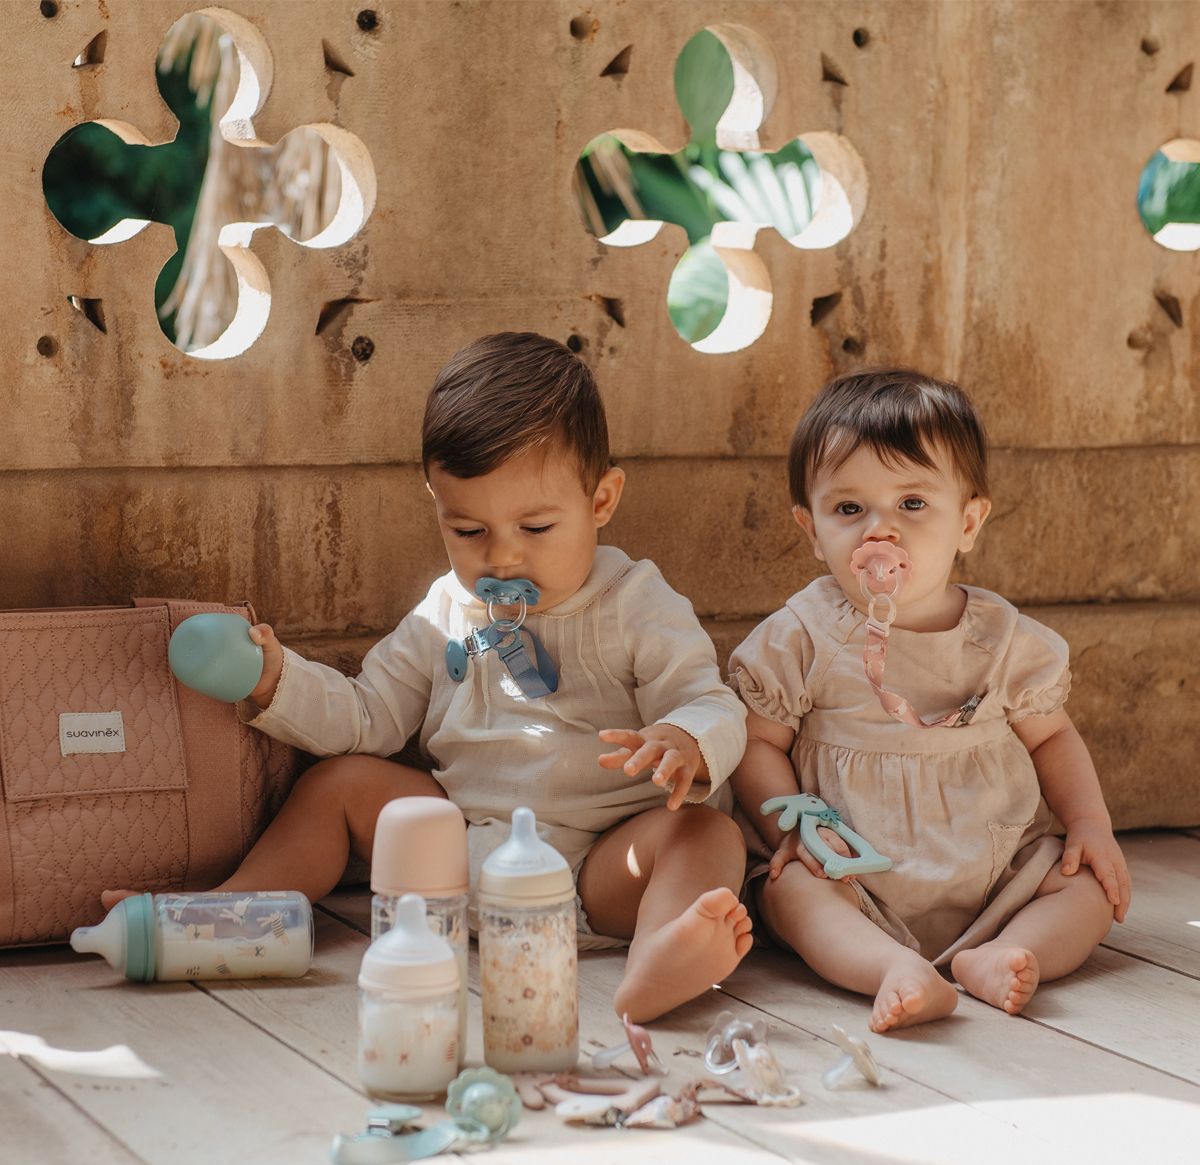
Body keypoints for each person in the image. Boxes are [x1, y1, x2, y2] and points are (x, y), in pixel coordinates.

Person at [108, 332, 750, 1022]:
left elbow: (707, 699)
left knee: (706, 835)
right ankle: (228, 915)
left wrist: (685, 739)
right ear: (437, 507)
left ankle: (662, 955)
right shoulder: (442, 612)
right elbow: (368, 716)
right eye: (469, 531)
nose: (502, 557)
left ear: (601, 500)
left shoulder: (636, 602)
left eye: (536, 527)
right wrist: (275, 679)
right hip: (455, 859)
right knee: (338, 785)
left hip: (601, 869)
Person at [729, 368, 1130, 1033]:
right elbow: (757, 743)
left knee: (1086, 884)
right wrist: (797, 832)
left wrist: (1090, 821)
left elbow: (1053, 737)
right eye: (849, 510)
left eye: (912, 504)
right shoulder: (802, 635)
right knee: (788, 892)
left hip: (995, 869)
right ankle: (888, 965)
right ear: (811, 529)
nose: (880, 532)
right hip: (851, 867)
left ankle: (1005, 951)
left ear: (968, 522)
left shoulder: (1003, 640)